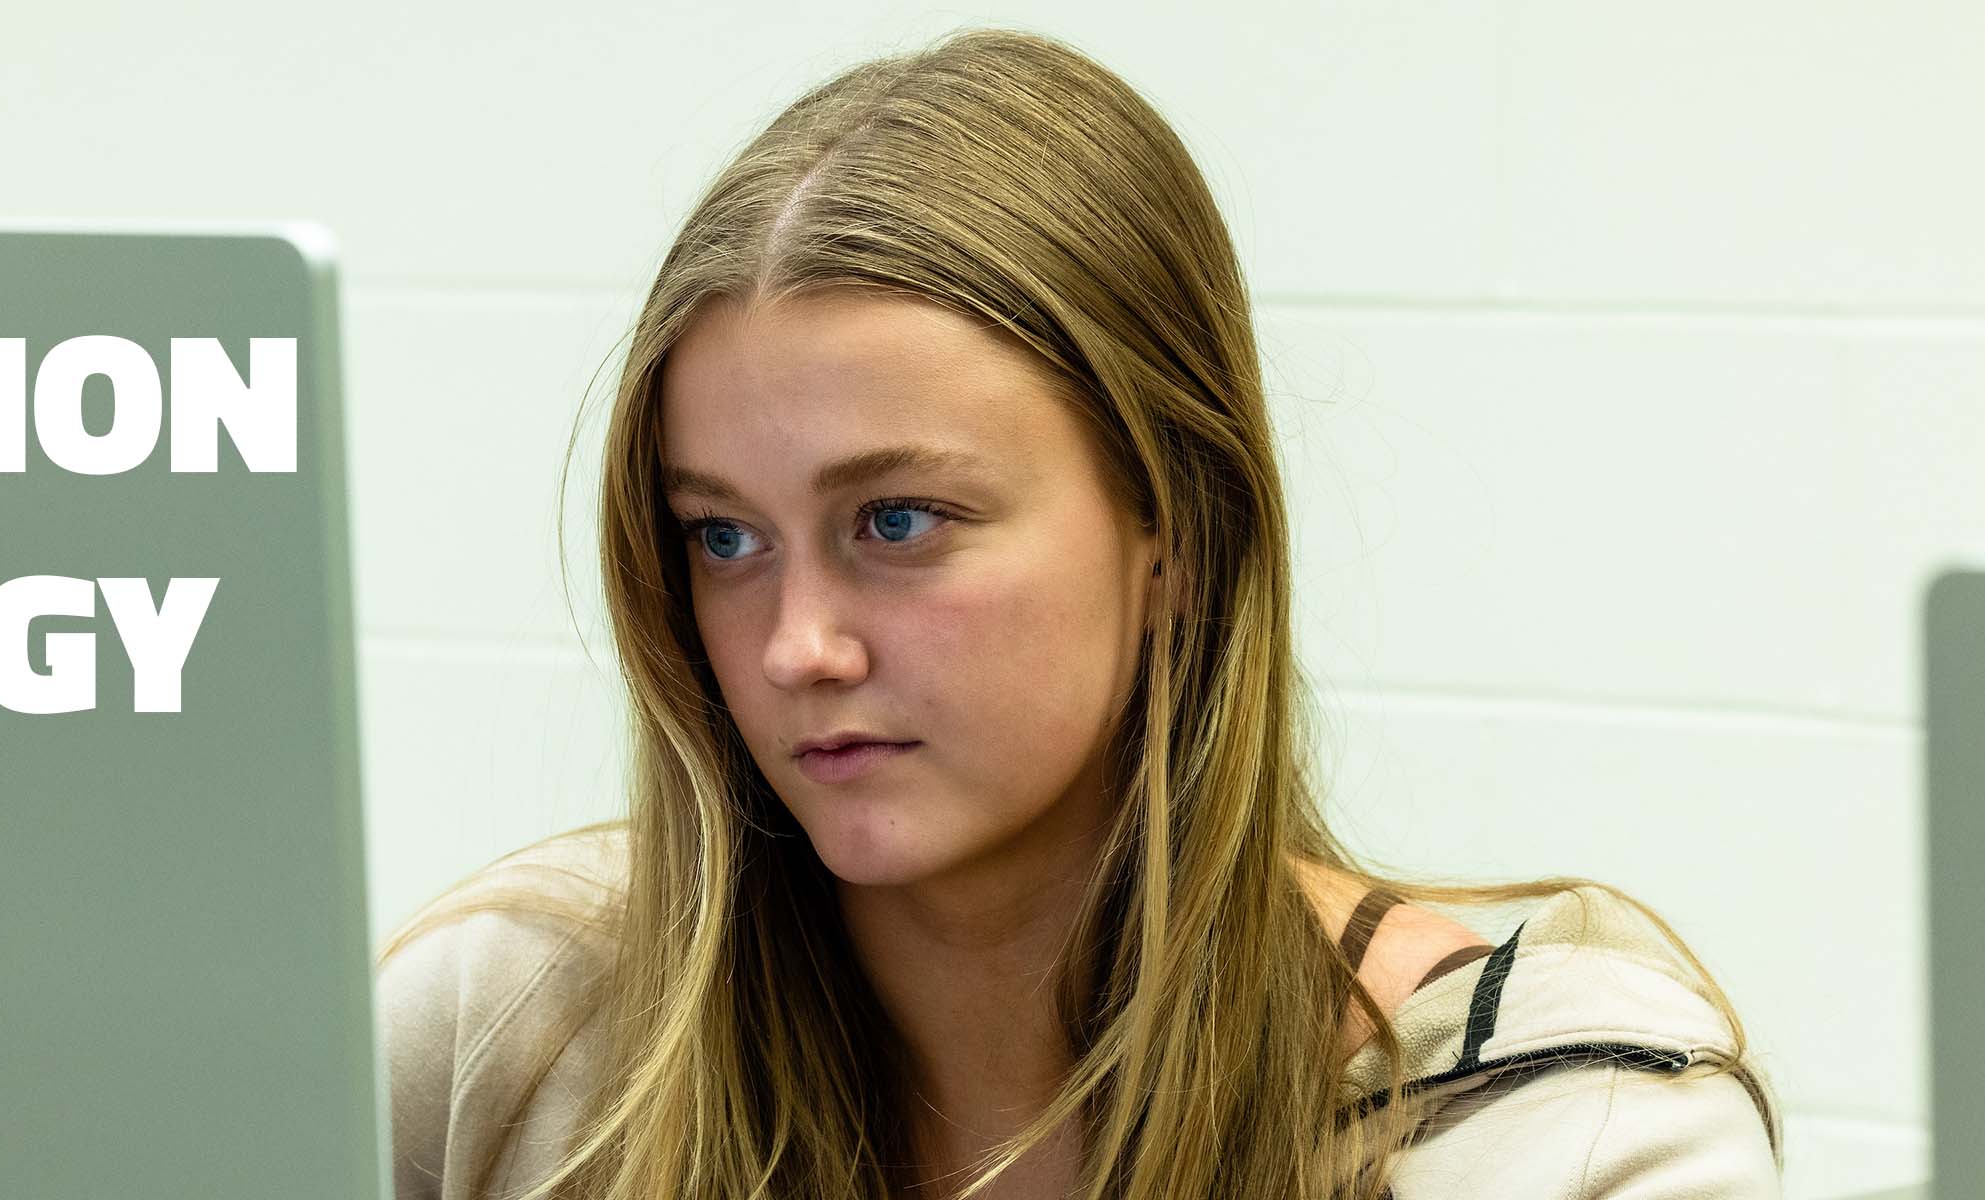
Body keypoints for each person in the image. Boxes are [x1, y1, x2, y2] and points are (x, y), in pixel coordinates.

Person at [375, 27, 1779, 1200]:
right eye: (725, 536)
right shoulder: (511, 1036)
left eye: (898, 523)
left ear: (1173, 531)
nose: (799, 645)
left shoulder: (1556, 1128)